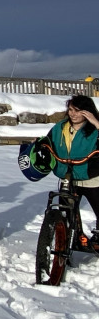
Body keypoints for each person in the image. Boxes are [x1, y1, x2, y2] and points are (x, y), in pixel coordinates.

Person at [37, 95, 99, 249]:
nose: (73, 114)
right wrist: (39, 143)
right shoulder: (61, 127)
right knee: (65, 212)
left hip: (91, 176)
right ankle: (66, 243)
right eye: (71, 109)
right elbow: (48, 140)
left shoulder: (94, 128)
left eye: (78, 111)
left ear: (87, 111)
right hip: (67, 176)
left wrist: (96, 122)